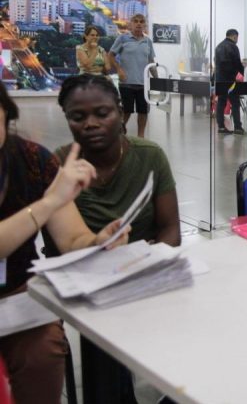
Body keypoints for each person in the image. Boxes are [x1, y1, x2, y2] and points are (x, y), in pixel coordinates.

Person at [51, 73, 180, 404]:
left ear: (121, 113)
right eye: (78, 117)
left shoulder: (149, 156)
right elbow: (59, 245)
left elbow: (171, 231)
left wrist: (143, 266)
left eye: (102, 113)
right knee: (105, 330)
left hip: (145, 270)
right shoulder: (59, 165)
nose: (91, 124)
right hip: (87, 279)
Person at [0, 81, 129, 404]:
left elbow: (71, 237)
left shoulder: (32, 160)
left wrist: (99, 241)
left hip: (17, 298)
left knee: (44, 351)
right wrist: (46, 203)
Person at [107, 14, 156, 138]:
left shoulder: (148, 41)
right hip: (126, 82)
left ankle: (141, 137)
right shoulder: (123, 38)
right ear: (131, 24)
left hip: (144, 84)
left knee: (143, 112)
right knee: (127, 111)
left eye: (141, 22)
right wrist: (118, 69)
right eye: (136, 21)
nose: (139, 24)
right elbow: (110, 55)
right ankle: (118, 135)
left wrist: (157, 78)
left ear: (144, 25)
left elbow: (151, 61)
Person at [214, 28, 246, 136]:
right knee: (235, 103)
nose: (237, 40)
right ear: (234, 36)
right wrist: (245, 73)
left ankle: (221, 127)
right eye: (237, 38)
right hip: (230, 80)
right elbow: (237, 64)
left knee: (221, 102)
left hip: (219, 79)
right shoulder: (233, 46)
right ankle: (238, 127)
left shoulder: (218, 46)